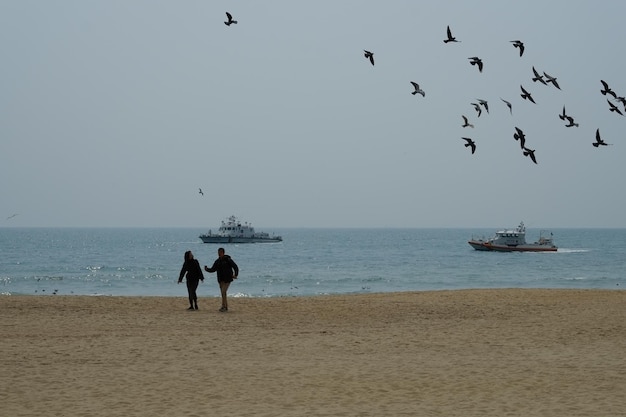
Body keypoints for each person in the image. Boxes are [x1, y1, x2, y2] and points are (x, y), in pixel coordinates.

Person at [204, 247, 239, 312]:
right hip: (220, 280)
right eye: (218, 253)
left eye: (220, 253)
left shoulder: (228, 260)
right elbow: (213, 269)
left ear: (223, 253)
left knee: (223, 292)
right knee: (223, 293)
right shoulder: (217, 261)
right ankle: (225, 306)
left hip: (228, 279)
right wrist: (207, 269)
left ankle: (224, 307)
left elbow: (235, 267)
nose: (219, 254)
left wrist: (236, 274)